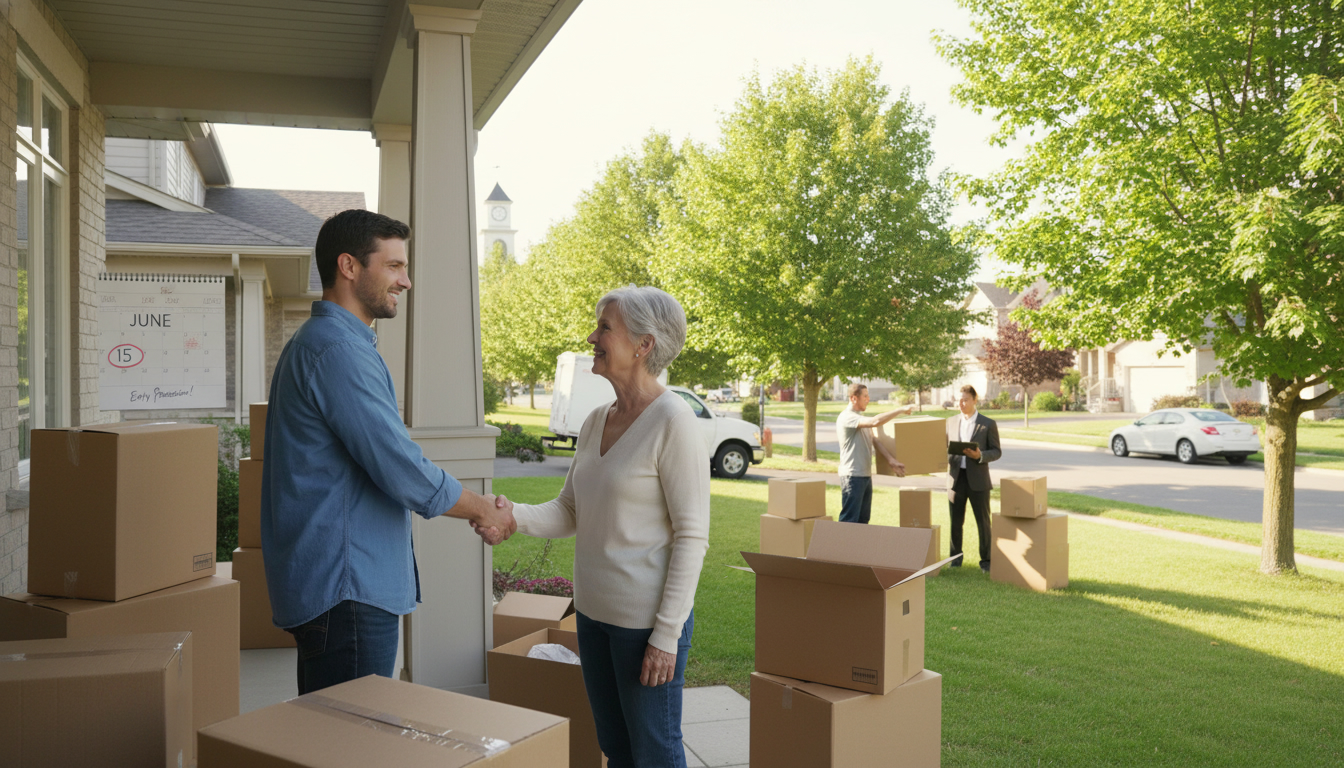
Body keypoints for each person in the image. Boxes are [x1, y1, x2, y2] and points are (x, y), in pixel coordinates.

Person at [261, 209, 515, 695]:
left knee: (338, 737)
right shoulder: (337, 351)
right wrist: (482, 508)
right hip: (348, 591)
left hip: (342, 590)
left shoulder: (327, 344)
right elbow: (398, 466)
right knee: (354, 743)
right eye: (394, 266)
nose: (407, 280)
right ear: (350, 267)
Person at [479, 286, 710, 768]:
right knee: (616, 749)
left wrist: (666, 636)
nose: (592, 336)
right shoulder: (594, 421)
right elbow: (570, 509)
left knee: (655, 753)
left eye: (605, 327)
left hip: (643, 626)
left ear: (644, 344)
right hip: (592, 616)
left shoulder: (673, 421)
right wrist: (511, 514)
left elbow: (693, 536)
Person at [834, 383, 914, 523]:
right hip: (852, 476)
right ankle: (843, 545)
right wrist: (900, 410)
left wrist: (891, 460)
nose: (868, 399)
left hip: (864, 475)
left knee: (863, 521)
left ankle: (859, 546)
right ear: (853, 398)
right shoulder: (847, 417)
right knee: (849, 521)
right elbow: (875, 421)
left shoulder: (859, 418)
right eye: (865, 396)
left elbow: (874, 440)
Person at [946, 384, 1002, 571]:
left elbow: (996, 451)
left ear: (975, 400)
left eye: (965, 400)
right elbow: (943, 448)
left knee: (983, 522)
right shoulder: (950, 422)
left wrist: (980, 456)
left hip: (978, 480)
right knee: (955, 522)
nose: (961, 403)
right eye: (959, 400)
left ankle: (986, 561)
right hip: (956, 479)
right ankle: (955, 560)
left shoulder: (988, 424)